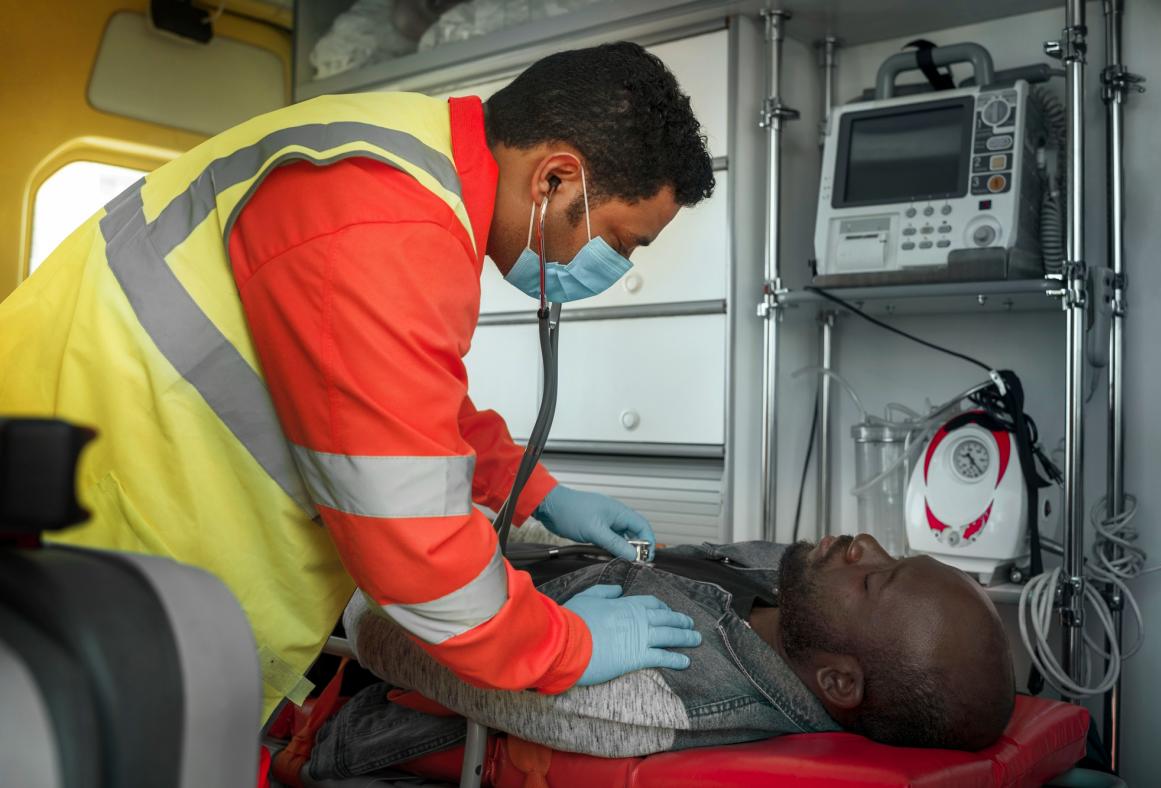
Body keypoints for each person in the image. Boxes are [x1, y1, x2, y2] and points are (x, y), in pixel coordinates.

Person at [0, 42, 714, 720]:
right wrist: (566, 644)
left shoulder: (397, 159)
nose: (613, 269)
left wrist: (538, 494)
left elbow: (386, 390)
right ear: (554, 178)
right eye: (618, 242)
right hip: (87, 533)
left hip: (87, 503)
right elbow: (421, 558)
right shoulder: (386, 218)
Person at [307, 533, 1016, 779]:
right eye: (891, 550)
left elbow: (388, 637)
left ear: (838, 680)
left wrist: (375, 553)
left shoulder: (656, 693)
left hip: (367, 588)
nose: (863, 543)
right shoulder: (794, 595)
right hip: (479, 546)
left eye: (875, 577)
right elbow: (660, 560)